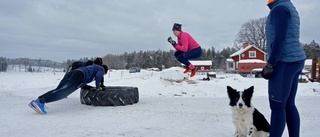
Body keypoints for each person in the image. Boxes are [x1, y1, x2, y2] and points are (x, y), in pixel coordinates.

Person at [262, 0, 306, 136]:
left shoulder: (279, 9)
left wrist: (271, 64)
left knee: (277, 106)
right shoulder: (287, 6)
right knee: (288, 104)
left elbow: (280, 39)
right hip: (295, 60)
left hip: (285, 61)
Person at [28, 64, 109, 114]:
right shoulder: (101, 69)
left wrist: (101, 84)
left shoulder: (94, 67)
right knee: (63, 93)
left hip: (73, 73)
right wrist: (98, 88)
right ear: (105, 70)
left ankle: (39, 100)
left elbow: (100, 78)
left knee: (59, 90)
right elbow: (99, 76)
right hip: (78, 76)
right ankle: (40, 102)